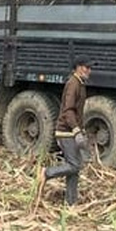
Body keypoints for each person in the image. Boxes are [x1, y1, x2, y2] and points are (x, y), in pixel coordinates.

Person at [36, 57, 95, 206]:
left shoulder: (80, 84)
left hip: (71, 132)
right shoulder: (73, 84)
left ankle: (70, 203)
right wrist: (76, 131)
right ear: (78, 68)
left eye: (90, 68)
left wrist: (80, 131)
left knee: (74, 169)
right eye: (86, 67)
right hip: (65, 132)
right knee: (75, 165)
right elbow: (68, 111)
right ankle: (46, 173)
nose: (89, 70)